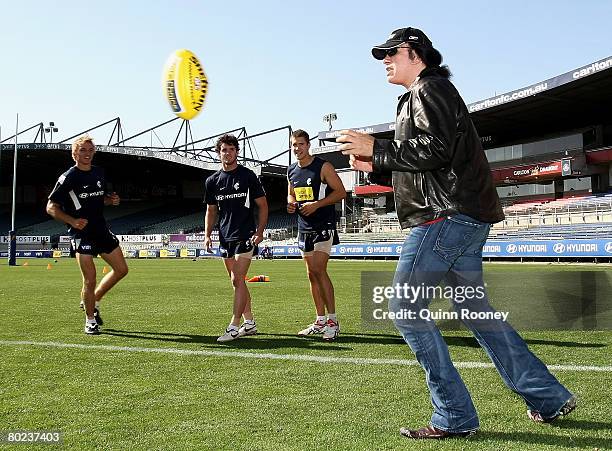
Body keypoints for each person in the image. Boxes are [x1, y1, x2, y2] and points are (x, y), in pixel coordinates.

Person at [338, 27, 576, 439]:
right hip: (460, 216)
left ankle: (455, 416)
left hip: (443, 218)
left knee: (405, 311)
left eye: (390, 53)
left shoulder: (429, 90)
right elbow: (430, 160)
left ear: (415, 53)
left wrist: (376, 147)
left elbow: (436, 150)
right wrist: (375, 164)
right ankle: (548, 398)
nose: (384, 61)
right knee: (478, 315)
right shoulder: (429, 93)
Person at [47, 135, 128, 335]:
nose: (87, 154)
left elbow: (100, 200)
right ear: (74, 153)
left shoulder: (99, 173)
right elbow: (50, 207)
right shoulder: (68, 177)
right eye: (83, 150)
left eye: (90, 150)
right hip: (81, 233)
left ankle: (94, 299)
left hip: (100, 229)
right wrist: (72, 221)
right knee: (89, 279)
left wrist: (112, 200)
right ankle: (90, 320)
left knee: (121, 269)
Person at [204, 134, 268, 342]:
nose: (228, 153)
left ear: (237, 152)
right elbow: (211, 211)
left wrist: (259, 231)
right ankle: (249, 323)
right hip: (225, 237)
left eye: (232, 149)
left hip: (246, 235)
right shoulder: (212, 181)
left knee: (237, 278)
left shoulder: (248, 176)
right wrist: (207, 235)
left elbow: (263, 205)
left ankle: (233, 326)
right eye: (224, 150)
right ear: (219, 153)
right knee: (236, 282)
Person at [287, 129, 346, 341]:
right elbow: (291, 193)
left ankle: (333, 320)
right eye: (294, 145)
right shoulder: (291, 170)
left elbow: (340, 192)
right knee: (311, 274)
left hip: (323, 225)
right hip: (304, 227)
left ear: (308, 145)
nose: (297, 148)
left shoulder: (323, 166)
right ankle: (320, 320)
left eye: (300, 144)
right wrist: (291, 203)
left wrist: (317, 205)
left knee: (320, 271)